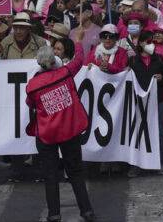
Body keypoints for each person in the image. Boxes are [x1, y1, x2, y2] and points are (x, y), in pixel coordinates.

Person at [26, 46, 96, 222]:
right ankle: (86, 211)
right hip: (69, 130)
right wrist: (78, 42)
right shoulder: (64, 73)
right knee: (76, 173)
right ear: (53, 61)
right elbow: (79, 60)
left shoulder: (33, 85)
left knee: (50, 176)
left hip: (47, 134)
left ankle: (54, 214)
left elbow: (30, 103)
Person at [125, 30, 163, 176]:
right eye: (147, 42)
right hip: (138, 102)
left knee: (158, 132)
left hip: (157, 101)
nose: (151, 45)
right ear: (140, 44)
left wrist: (161, 78)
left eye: (152, 42)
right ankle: (137, 164)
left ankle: (160, 162)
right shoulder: (132, 61)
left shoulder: (160, 60)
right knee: (137, 132)